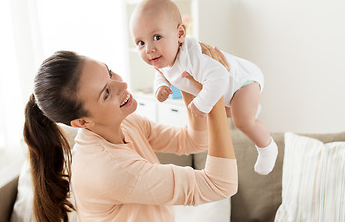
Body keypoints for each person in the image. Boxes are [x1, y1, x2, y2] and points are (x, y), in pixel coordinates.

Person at [23, 45, 237, 222]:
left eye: (109, 72)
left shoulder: (125, 123)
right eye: (106, 92)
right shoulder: (111, 169)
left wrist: (188, 80)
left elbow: (194, 140)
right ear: (82, 121)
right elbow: (220, 185)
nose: (122, 84)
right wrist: (214, 94)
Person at [130, 0, 278, 175]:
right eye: (140, 42)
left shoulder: (192, 57)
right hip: (228, 95)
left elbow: (220, 76)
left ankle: (267, 147)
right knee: (227, 112)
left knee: (242, 121)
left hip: (243, 82)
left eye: (157, 37)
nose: (149, 49)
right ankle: (248, 108)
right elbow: (160, 74)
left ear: (180, 34)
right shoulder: (164, 61)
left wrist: (201, 104)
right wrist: (160, 87)